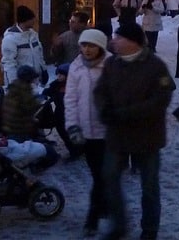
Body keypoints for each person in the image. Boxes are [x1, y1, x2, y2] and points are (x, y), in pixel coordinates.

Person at [94, 22, 174, 240]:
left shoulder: (155, 66)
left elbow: (162, 99)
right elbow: (100, 91)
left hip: (147, 137)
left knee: (149, 186)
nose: (113, 41)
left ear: (132, 41)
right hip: (117, 136)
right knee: (110, 178)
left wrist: (127, 113)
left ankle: (150, 229)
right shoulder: (112, 64)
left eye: (118, 37)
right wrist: (105, 110)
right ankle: (118, 225)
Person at [64, 27, 109, 237]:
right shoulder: (76, 67)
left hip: (108, 132)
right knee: (98, 175)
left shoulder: (111, 66)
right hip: (86, 132)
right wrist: (72, 125)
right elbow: (70, 99)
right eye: (84, 45)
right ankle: (103, 208)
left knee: (103, 177)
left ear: (100, 46)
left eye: (91, 45)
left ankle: (93, 218)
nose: (87, 49)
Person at [1, 5, 46, 85]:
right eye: (32, 19)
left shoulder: (33, 35)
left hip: (35, 80)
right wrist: (13, 83)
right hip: (21, 82)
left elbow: (39, 55)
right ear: (25, 20)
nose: (34, 20)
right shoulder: (10, 39)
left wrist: (44, 70)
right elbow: (9, 63)